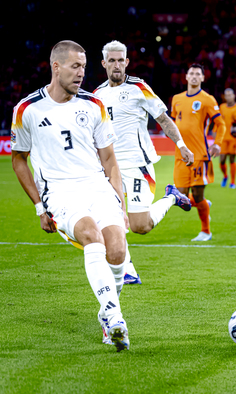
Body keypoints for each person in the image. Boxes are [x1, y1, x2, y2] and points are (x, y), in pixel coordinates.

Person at [11, 40, 143, 351]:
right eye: (75, 66)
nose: (81, 72)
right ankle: (113, 318)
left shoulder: (93, 105)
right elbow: (18, 158)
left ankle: (106, 312)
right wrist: (39, 206)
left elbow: (109, 159)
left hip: (96, 185)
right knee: (91, 235)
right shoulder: (28, 109)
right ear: (56, 67)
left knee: (118, 251)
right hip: (60, 191)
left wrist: (120, 204)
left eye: (83, 67)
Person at [94, 40, 194, 285]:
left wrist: (181, 145)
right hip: (109, 168)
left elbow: (163, 118)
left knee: (140, 226)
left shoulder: (140, 87)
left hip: (138, 165)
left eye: (121, 60)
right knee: (110, 219)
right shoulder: (96, 95)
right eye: (112, 60)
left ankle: (172, 197)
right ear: (104, 63)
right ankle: (128, 270)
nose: (117, 65)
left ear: (127, 62)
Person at [171, 63, 225, 241]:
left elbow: (221, 124)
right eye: (191, 73)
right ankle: (204, 206)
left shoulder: (207, 99)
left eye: (197, 74)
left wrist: (217, 143)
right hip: (181, 155)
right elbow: (172, 124)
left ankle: (206, 232)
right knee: (180, 198)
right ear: (186, 77)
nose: (194, 76)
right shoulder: (176, 99)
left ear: (202, 78)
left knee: (197, 194)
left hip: (200, 155)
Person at [219, 88, 236, 188]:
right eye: (226, 95)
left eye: (230, 95)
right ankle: (225, 176)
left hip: (233, 138)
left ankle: (232, 182)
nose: (228, 97)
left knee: (232, 160)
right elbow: (218, 122)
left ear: (234, 96)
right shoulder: (222, 107)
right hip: (223, 138)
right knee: (222, 160)